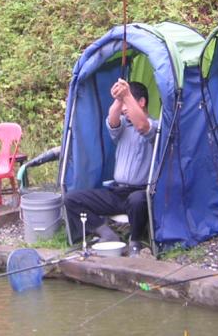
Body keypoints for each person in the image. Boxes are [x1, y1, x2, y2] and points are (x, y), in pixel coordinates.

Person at [64, 79, 159, 256]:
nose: (124, 109)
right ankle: (107, 234)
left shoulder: (155, 126)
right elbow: (112, 119)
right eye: (123, 104)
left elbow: (142, 126)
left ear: (141, 102)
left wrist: (126, 95)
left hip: (141, 192)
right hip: (117, 191)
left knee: (137, 200)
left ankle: (135, 241)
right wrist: (118, 97)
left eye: (127, 103)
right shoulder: (123, 126)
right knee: (72, 199)